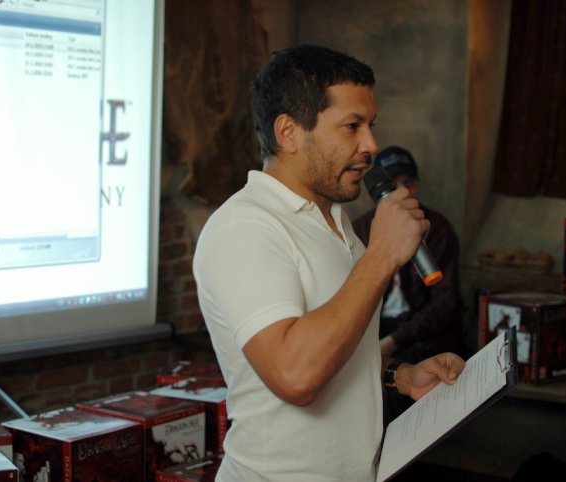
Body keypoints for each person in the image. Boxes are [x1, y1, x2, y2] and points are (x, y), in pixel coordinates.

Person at [192, 44, 465, 482]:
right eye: (352, 126)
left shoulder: (336, 222)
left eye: (371, 126)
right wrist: (381, 255)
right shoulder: (244, 228)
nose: (371, 145)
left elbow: (337, 345)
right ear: (289, 133)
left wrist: (400, 376)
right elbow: (295, 376)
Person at [352, 146, 466, 365]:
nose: (404, 191)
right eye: (394, 184)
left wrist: (394, 341)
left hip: (423, 336)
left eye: (410, 182)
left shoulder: (438, 228)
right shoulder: (360, 229)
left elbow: (444, 303)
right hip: (374, 331)